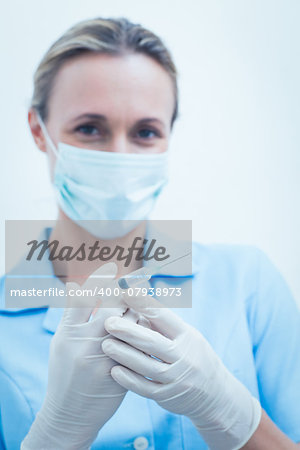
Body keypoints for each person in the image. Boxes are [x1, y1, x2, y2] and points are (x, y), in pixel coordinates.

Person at [0, 16, 299, 450]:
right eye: (90, 128)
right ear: (38, 130)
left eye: (145, 132)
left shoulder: (247, 284)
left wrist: (234, 417)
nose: (120, 154)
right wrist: (54, 437)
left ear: (168, 137)